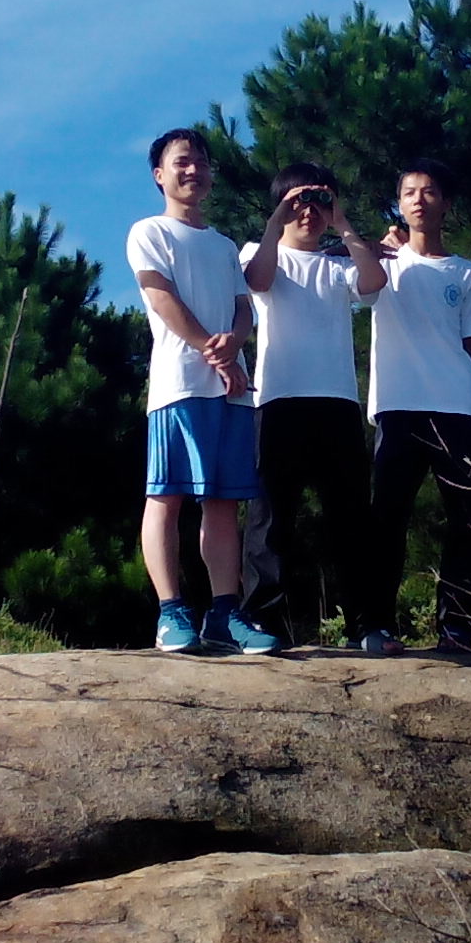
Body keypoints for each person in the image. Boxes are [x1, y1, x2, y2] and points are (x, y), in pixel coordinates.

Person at [125, 129, 277, 656]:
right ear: (159, 174)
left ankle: (224, 612)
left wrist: (234, 346)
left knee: (223, 502)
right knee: (166, 495)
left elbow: (243, 306)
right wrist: (214, 354)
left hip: (232, 390)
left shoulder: (223, 244)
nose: (194, 171)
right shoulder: (149, 231)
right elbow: (159, 295)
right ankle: (171, 610)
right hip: (180, 384)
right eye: (182, 162)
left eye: (202, 163)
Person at [240, 161, 387, 647]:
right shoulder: (259, 251)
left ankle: (364, 624)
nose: (309, 212)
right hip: (277, 400)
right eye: (298, 202)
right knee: (269, 519)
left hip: (337, 402)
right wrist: (273, 223)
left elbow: (373, 284)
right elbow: (258, 281)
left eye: (318, 202)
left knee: (349, 518)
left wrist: (343, 225)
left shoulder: (339, 263)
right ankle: (262, 622)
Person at [363, 158, 471, 654]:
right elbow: (322, 264)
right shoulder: (380, 266)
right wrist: (374, 247)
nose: (419, 199)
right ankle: (377, 625)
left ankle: (458, 628)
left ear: (446, 204)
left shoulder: (467, 273)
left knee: (465, 520)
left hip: (458, 408)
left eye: (430, 191)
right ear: (399, 204)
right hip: (398, 407)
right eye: (410, 192)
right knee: (386, 520)